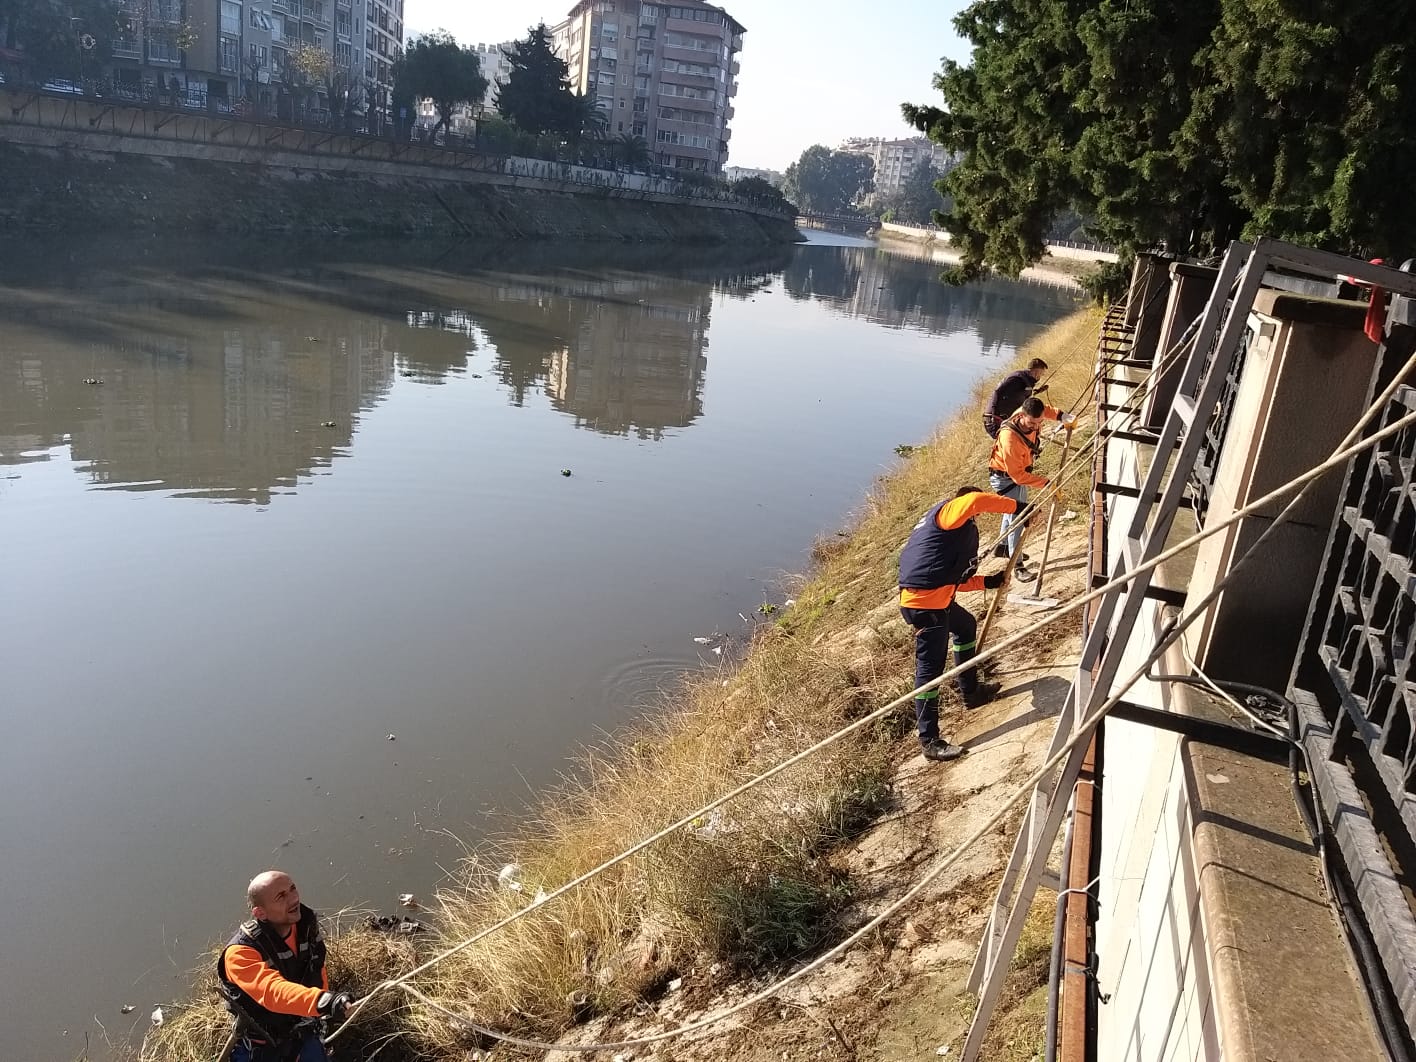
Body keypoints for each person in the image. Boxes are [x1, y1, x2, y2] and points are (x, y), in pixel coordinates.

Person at [898, 486, 1017, 762]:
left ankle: (971, 692)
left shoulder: (949, 538)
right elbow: (974, 500)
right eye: (972, 516)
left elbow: (953, 580)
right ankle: (929, 741)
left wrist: (987, 582)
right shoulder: (948, 513)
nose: (973, 519)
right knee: (929, 672)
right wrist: (1018, 508)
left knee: (965, 626)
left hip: (937, 600)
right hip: (925, 608)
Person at [217, 870, 352, 1062]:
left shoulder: (305, 925)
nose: (294, 898)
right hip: (263, 1047)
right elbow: (272, 991)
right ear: (260, 913)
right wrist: (323, 1002)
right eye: (281, 896)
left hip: (303, 1032)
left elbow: (317, 967)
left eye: (292, 888)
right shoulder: (240, 953)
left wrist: (325, 1012)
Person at [988, 397, 1075, 577]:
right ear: (1022, 415)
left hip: (1016, 475)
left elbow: (1047, 410)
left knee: (1011, 512)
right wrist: (1046, 483)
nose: (1036, 427)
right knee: (1018, 518)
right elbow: (1017, 476)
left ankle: (1004, 547)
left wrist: (1063, 417)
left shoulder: (1033, 411)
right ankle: (1017, 566)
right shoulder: (1010, 439)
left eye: (1040, 422)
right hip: (1006, 479)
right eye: (1032, 423)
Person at [983, 358, 1049, 439]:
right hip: (995, 420)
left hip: (1005, 419)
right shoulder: (1017, 379)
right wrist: (993, 414)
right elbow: (997, 392)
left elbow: (1023, 396)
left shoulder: (1028, 381)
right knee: (1008, 442)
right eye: (1041, 373)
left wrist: (1038, 391)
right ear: (1036, 371)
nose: (1040, 377)